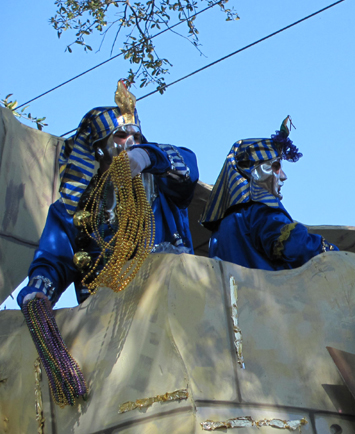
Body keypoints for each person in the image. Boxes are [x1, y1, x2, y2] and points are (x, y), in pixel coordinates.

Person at [17, 80, 199, 308]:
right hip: (102, 316)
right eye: (120, 135)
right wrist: (38, 291)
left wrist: (147, 157)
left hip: (167, 304)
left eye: (137, 136)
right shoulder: (73, 206)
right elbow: (54, 260)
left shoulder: (162, 183)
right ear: (98, 147)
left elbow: (189, 169)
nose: (131, 141)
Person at [200, 117, 337, 270]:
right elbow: (293, 246)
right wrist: (333, 253)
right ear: (252, 171)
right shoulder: (261, 210)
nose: (283, 176)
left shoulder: (222, 226)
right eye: (276, 166)